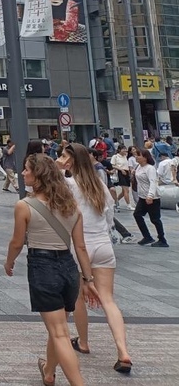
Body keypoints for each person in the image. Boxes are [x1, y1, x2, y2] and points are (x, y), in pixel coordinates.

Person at [4, 154, 100, 386]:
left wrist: (9, 262)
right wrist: (88, 280)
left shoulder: (24, 206)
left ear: (38, 176)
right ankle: (48, 372)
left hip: (43, 267)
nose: (23, 173)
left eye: (27, 169)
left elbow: (17, 242)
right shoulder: (71, 206)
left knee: (59, 333)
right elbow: (80, 246)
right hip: (69, 268)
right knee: (59, 328)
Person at [57, 144, 132, 374]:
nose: (61, 159)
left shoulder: (68, 184)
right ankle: (123, 351)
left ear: (71, 161)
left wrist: (58, 168)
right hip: (103, 244)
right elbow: (109, 217)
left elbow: (45, 190)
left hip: (80, 246)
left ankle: (83, 342)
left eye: (64, 156)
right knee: (108, 299)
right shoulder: (99, 184)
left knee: (79, 298)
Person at [132, 149, 167, 247]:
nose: (136, 157)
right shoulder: (138, 167)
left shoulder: (150, 169)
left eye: (138, 155)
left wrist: (150, 195)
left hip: (152, 198)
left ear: (145, 158)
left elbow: (153, 182)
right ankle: (147, 236)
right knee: (137, 215)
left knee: (155, 219)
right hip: (142, 197)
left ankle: (162, 239)